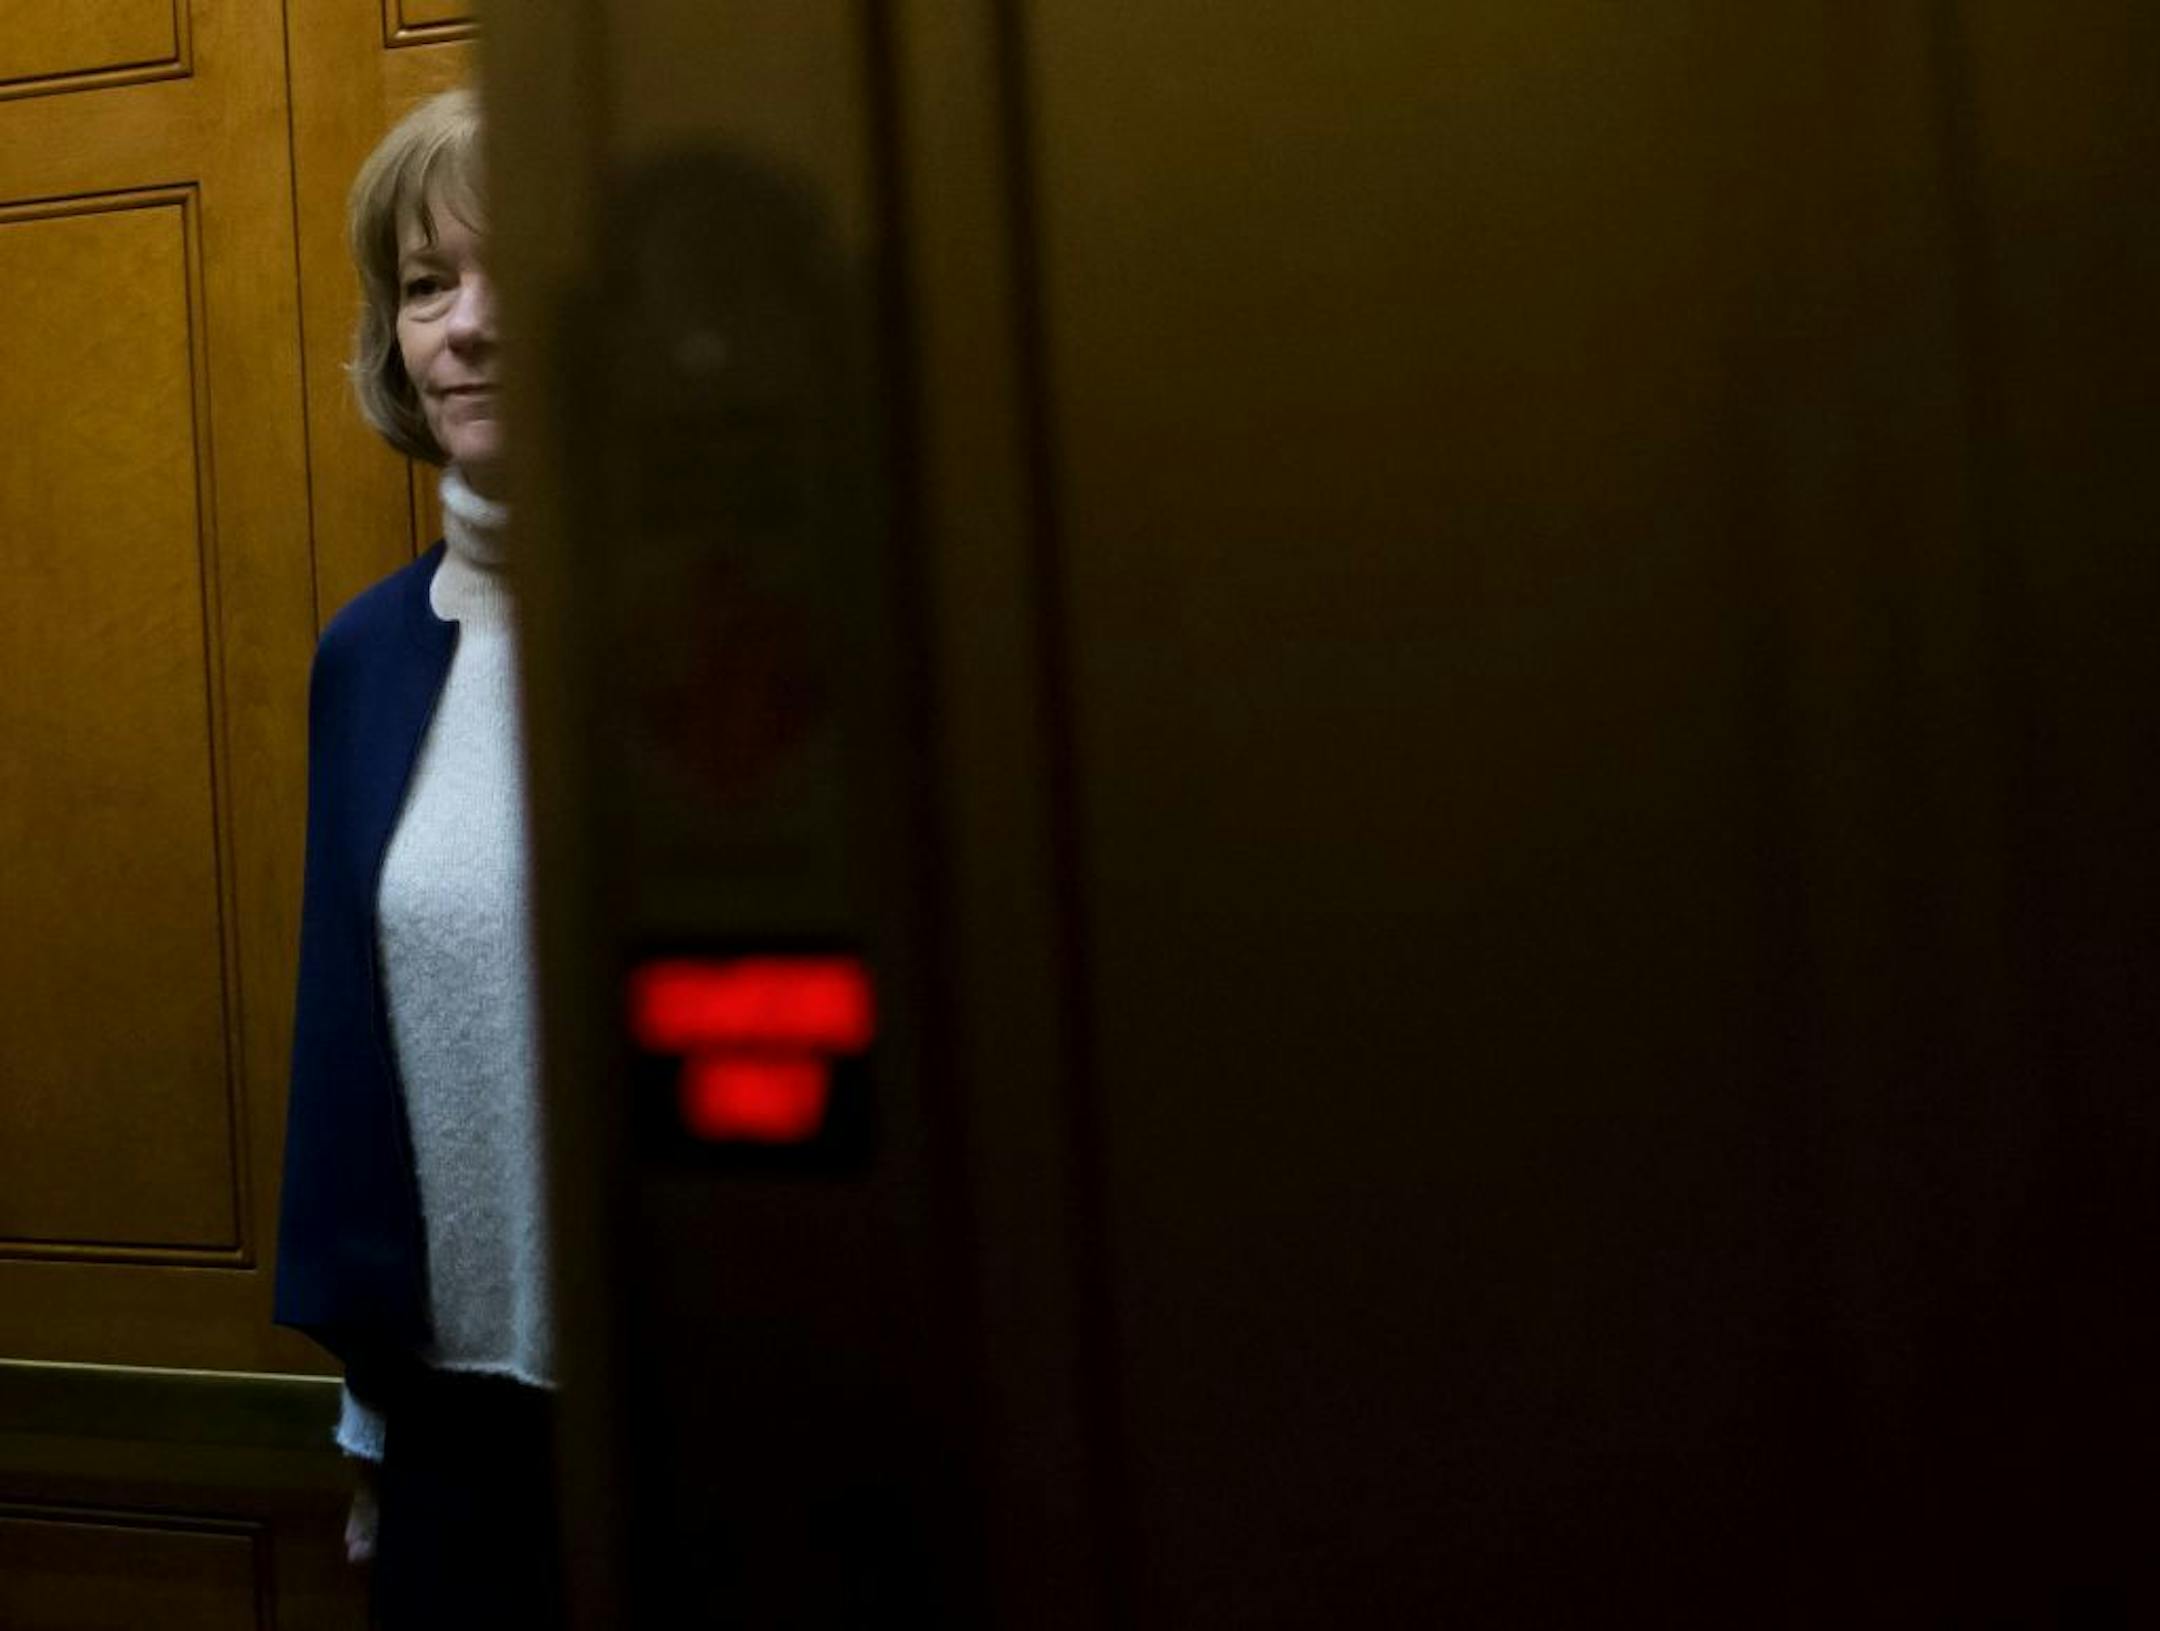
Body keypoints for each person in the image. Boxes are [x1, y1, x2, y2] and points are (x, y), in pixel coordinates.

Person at [271, 87, 562, 1629]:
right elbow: (350, 1051)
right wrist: (374, 1427)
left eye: (515, 270)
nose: (468, 325)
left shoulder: (742, 633)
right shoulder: (369, 657)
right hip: (455, 1440)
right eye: (428, 283)